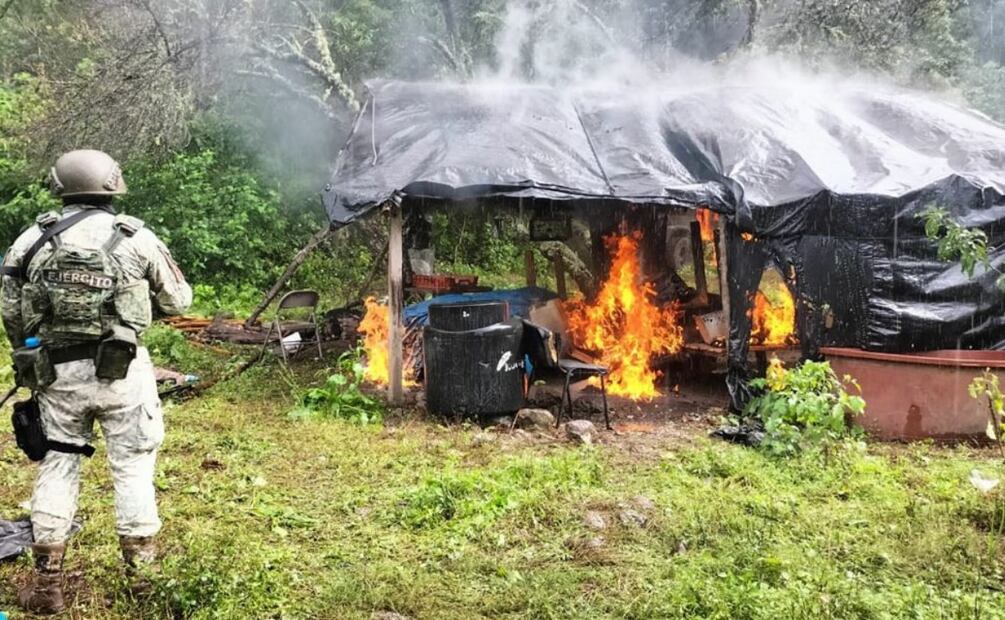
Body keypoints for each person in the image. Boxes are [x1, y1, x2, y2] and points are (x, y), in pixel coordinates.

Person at [0, 149, 192, 614]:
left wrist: (28, 352)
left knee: (59, 466)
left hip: (57, 375)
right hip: (124, 374)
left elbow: (9, 310)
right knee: (132, 468)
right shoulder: (136, 236)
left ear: (59, 186)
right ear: (112, 185)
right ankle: (144, 584)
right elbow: (179, 301)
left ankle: (48, 587)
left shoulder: (30, 240)